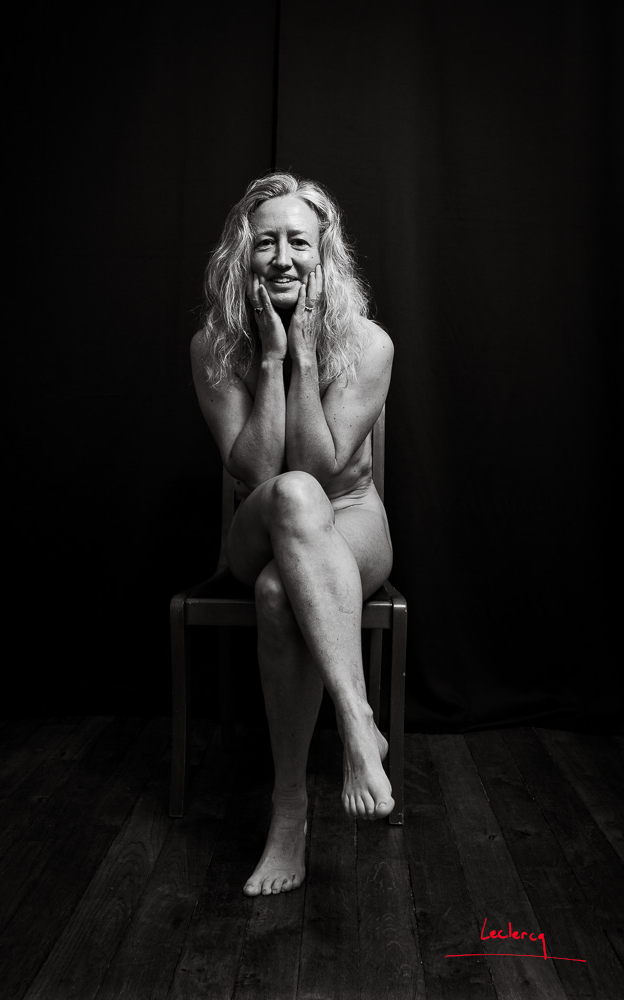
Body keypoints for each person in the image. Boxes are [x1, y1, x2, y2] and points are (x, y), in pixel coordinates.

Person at [190, 171, 394, 897]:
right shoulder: (214, 347)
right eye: (264, 241)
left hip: (350, 519)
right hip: (260, 519)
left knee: (281, 592)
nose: (281, 257)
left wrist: (306, 352)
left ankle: (288, 813)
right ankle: (356, 719)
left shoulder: (368, 345)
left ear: (323, 256)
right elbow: (257, 469)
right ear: (239, 257)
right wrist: (272, 357)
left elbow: (316, 465)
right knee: (289, 497)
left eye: (298, 243)